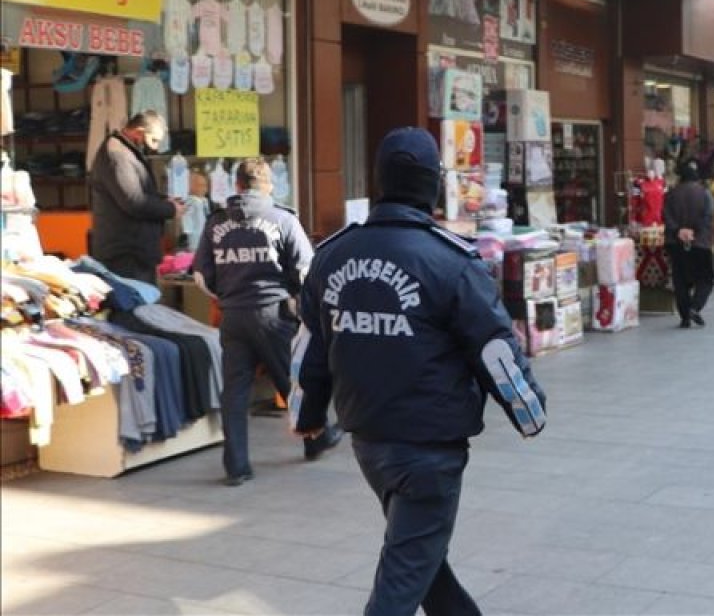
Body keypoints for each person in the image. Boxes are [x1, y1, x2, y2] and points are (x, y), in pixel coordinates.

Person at [294, 127, 546, 616]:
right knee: (405, 573)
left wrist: (306, 412)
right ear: (432, 184)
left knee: (420, 555)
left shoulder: (333, 255)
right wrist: (528, 412)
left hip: (369, 441)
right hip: (429, 448)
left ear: (381, 180)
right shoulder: (450, 261)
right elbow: (495, 350)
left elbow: (310, 344)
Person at [192, 158, 341, 486]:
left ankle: (237, 467)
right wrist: (299, 300)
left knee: (234, 392)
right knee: (292, 383)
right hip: (273, 314)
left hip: (232, 317)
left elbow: (201, 274)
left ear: (237, 186)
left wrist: (225, 296)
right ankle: (316, 438)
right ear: (269, 186)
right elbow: (307, 271)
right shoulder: (282, 219)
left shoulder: (215, 222)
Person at [88, 110, 187, 283]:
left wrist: (163, 201)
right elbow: (134, 202)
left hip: (134, 253)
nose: (155, 147)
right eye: (153, 140)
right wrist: (170, 209)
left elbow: (140, 193)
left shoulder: (124, 151)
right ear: (139, 132)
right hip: (125, 255)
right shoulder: (117, 155)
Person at [663, 160, 714, 328]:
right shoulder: (704, 193)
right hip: (700, 242)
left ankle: (684, 316)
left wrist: (679, 230)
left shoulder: (671, 194)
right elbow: (708, 216)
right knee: (706, 278)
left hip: (676, 242)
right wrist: (694, 231)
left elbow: (665, 215)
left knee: (681, 280)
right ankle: (695, 306)